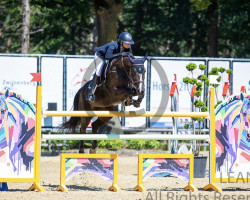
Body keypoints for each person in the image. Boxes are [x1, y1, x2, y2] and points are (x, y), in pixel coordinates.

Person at [86, 32, 134, 102]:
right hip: (101, 56)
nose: (129, 44)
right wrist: (120, 54)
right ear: (121, 42)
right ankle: (90, 93)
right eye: (127, 43)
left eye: (130, 43)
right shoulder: (113, 46)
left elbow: (130, 58)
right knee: (99, 71)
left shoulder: (129, 48)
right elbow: (107, 57)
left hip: (113, 58)